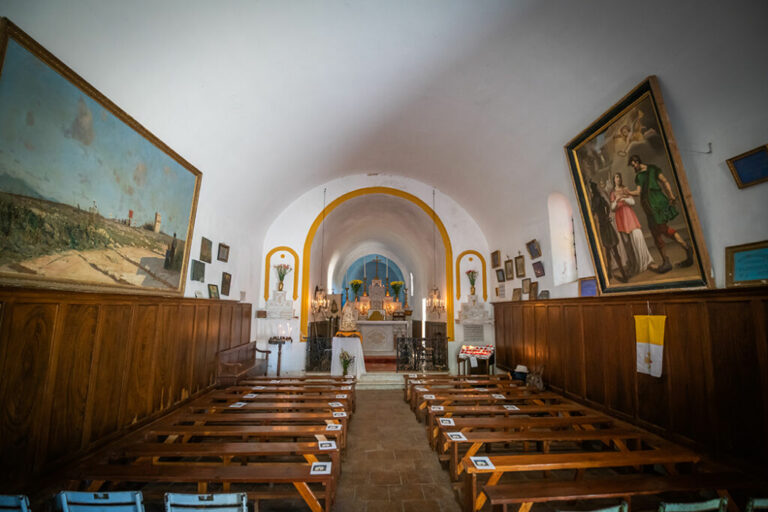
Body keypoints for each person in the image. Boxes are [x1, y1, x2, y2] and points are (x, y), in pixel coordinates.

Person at [627, 155, 693, 273]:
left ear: (637, 161)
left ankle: (686, 248)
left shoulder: (649, 171)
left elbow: (663, 182)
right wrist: (628, 192)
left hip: (655, 204)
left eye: (633, 165)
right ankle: (666, 261)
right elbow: (639, 191)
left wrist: (671, 195)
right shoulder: (642, 174)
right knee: (655, 232)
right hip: (649, 205)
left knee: (663, 229)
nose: (634, 168)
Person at [610, 173, 656, 275]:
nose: (618, 179)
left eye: (619, 177)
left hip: (629, 215)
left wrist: (624, 199)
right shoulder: (613, 192)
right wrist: (617, 201)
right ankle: (633, 265)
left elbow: (633, 202)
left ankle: (642, 262)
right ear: (613, 180)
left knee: (636, 238)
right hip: (620, 218)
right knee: (627, 244)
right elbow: (612, 208)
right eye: (616, 177)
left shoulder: (625, 189)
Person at [589, 180, 628, 283]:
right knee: (611, 250)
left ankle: (621, 274)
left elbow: (592, 212)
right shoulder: (601, 198)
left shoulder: (595, 200)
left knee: (610, 250)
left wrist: (600, 216)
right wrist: (606, 215)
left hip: (603, 226)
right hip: (607, 224)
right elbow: (607, 207)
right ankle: (611, 273)